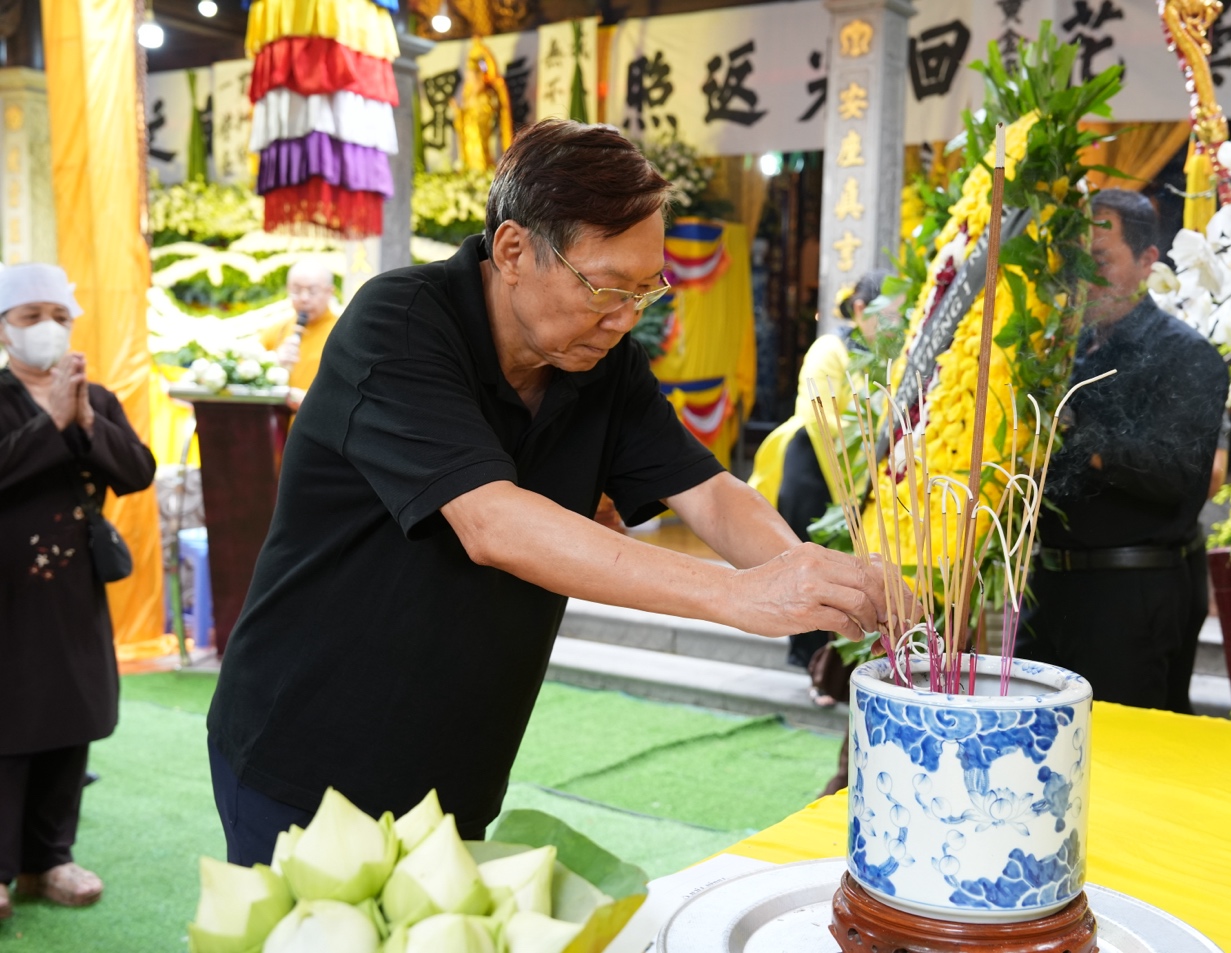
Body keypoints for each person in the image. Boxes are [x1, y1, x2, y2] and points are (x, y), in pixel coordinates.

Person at [207, 120, 907, 865]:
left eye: (646, 290)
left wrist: (812, 577)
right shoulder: (400, 323)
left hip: (457, 768)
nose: (624, 317)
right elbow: (493, 522)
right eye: (606, 287)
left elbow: (707, 490)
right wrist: (737, 597)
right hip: (309, 752)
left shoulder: (601, 362)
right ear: (513, 251)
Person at [1015, 189, 1230, 713]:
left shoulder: (1187, 355)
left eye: (1101, 260)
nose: (1084, 276)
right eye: (1073, 262)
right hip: (1051, 585)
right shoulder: (1065, 352)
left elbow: (1179, 475)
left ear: (1147, 262)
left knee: (1124, 758)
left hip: (1132, 593)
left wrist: (1075, 436)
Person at [0, 264, 157, 919]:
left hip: (73, 592)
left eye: (58, 315)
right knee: (8, 726)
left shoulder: (96, 395)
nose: (47, 328)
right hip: (6, 597)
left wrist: (85, 417)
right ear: (4, 327)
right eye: (29, 315)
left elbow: (137, 470)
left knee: (70, 716)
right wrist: (49, 422)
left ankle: (48, 860)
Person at [750, 270, 891, 684]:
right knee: (808, 554)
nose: (896, 324)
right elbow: (821, 415)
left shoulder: (887, 355)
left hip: (861, 474)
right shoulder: (831, 347)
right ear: (861, 309)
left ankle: (835, 666)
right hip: (815, 464)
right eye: (891, 313)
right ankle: (807, 658)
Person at [258, 259, 338, 409]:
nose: (304, 298)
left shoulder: (342, 333)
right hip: (278, 425)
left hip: (320, 423)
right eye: (296, 290)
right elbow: (248, 380)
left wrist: (308, 399)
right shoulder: (277, 331)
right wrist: (273, 362)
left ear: (329, 292)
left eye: (312, 291)